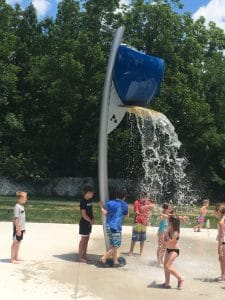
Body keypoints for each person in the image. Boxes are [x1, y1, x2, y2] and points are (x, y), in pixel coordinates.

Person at [100, 189, 129, 267]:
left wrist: (101, 206)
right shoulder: (124, 204)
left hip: (108, 226)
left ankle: (115, 261)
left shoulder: (109, 203)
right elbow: (127, 216)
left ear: (116, 195)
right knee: (116, 246)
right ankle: (103, 258)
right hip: (116, 227)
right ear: (124, 197)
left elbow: (105, 213)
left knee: (113, 244)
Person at [161, 215, 184, 289]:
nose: (168, 221)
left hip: (174, 250)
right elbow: (166, 241)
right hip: (168, 249)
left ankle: (180, 278)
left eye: (169, 221)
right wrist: (164, 242)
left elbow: (172, 243)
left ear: (172, 222)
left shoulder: (176, 232)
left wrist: (167, 235)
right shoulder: (170, 228)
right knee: (165, 266)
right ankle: (167, 283)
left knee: (167, 266)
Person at [128, 192, 154, 256]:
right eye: (142, 197)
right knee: (134, 237)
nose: (143, 199)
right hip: (137, 222)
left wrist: (148, 206)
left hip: (144, 222)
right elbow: (136, 212)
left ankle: (141, 252)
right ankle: (131, 251)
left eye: (145, 198)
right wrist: (143, 213)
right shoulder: (136, 202)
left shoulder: (148, 202)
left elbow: (153, 207)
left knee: (143, 238)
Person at [78, 185, 94, 263]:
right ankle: (80, 257)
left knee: (87, 239)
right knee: (83, 240)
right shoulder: (83, 201)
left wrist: (93, 218)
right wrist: (90, 220)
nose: (92, 195)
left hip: (89, 223)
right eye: (91, 193)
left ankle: (84, 255)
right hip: (84, 223)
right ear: (87, 193)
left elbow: (91, 211)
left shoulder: (89, 201)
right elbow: (83, 214)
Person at [11, 191, 28, 264]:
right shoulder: (17, 207)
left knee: (19, 242)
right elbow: (16, 218)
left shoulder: (22, 206)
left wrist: (23, 229)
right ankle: (12, 259)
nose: (26, 199)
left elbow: (22, 219)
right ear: (19, 198)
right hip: (17, 228)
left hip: (21, 228)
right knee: (15, 243)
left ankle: (16, 257)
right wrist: (18, 229)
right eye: (25, 198)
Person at [215, 204, 225, 281]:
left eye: (216, 211)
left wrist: (219, 247)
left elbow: (222, 235)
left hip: (223, 242)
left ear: (219, 212)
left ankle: (223, 275)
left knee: (221, 258)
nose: (214, 212)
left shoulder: (221, 222)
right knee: (222, 259)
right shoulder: (223, 220)